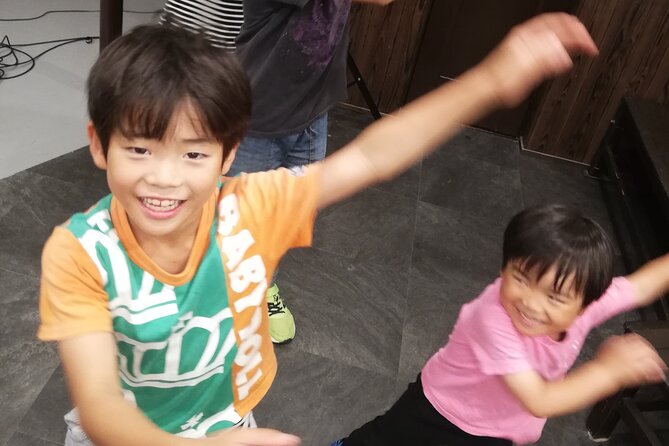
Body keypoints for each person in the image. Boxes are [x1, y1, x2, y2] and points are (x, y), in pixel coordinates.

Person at [37, 12, 600, 446]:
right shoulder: (81, 253)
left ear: (229, 154)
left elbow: (372, 158)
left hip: (226, 421)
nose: (165, 179)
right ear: (97, 144)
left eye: (193, 153)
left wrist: (491, 79)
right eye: (138, 148)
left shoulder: (251, 209)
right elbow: (101, 406)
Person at [331, 204, 669, 446]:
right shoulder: (491, 318)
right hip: (442, 413)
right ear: (503, 269)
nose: (531, 303)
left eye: (554, 297)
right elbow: (539, 400)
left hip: (500, 430)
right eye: (521, 278)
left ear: (586, 303)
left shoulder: (585, 302)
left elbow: (643, 285)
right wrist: (609, 372)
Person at [231, 0, 394, 344]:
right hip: (257, 120)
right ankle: (220, 304)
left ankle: (261, 287)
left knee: (289, 218)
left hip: (311, 114)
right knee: (237, 222)